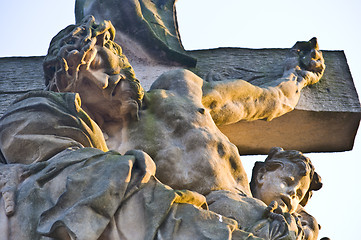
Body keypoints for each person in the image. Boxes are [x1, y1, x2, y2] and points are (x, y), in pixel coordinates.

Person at [0, 16, 325, 239]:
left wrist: (297, 75)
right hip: (198, 226)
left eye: (101, 64)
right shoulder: (101, 154)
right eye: (86, 82)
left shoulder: (179, 89)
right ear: (73, 98)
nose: (105, 80)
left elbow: (257, 101)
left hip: (264, 220)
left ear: (117, 55)